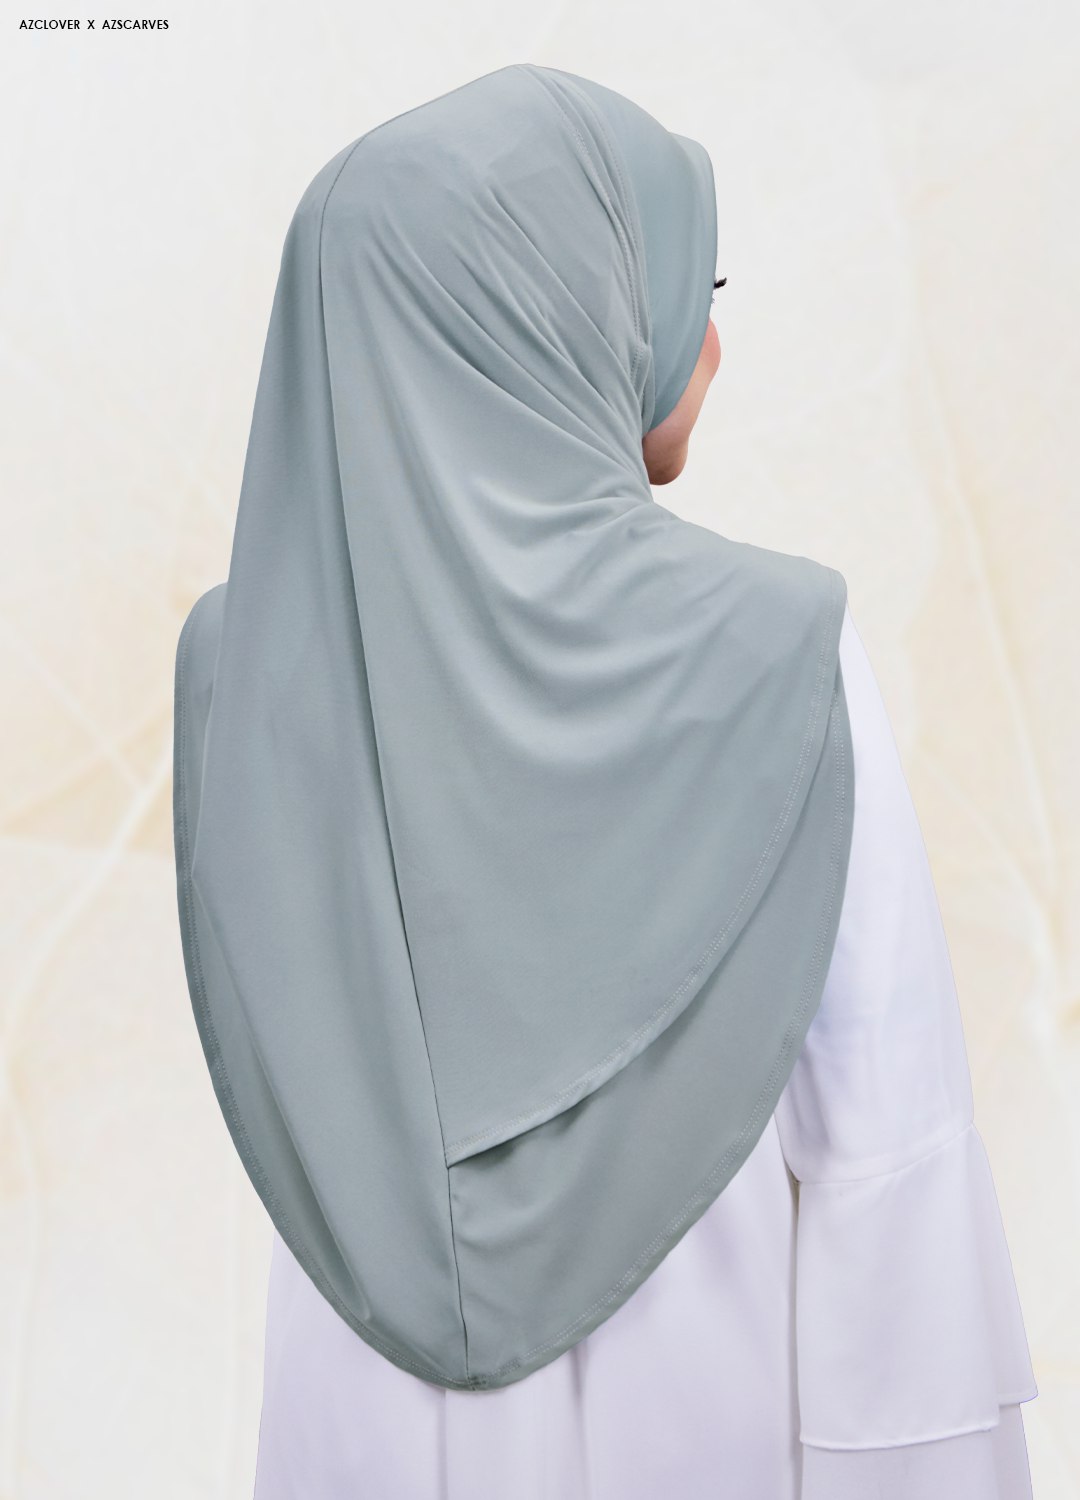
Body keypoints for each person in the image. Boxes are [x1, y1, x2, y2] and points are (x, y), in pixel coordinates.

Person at [172, 63, 1038, 1498]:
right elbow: (889, 1144)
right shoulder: (777, 652)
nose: (710, 343)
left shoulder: (240, 671)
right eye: (682, 288)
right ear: (542, 308)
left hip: (356, 1435)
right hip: (709, 1425)